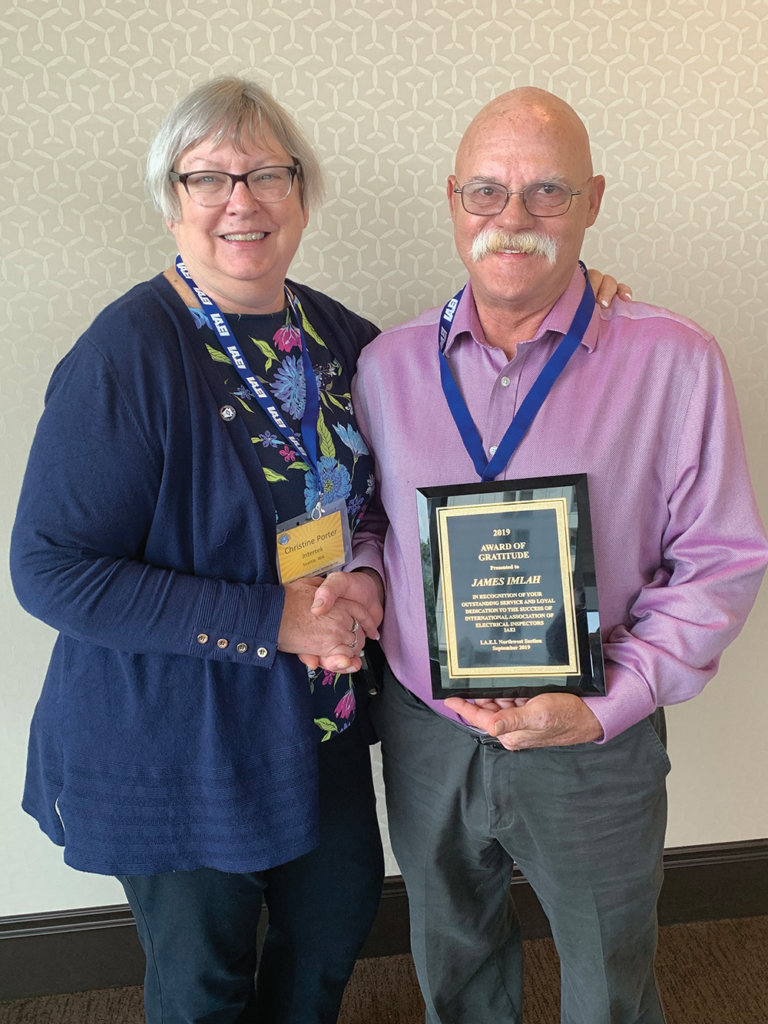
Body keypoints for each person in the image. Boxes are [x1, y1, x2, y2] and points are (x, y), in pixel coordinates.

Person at [10, 76, 624, 1024]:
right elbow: (50, 569)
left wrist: (587, 304)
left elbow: (435, 462)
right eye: (206, 178)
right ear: (170, 200)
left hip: (322, 725)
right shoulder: (124, 354)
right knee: (206, 981)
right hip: (183, 735)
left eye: (266, 173)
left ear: (302, 192)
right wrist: (273, 619)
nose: (240, 201)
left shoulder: (344, 341)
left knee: (329, 940)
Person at [311, 87, 768, 1024]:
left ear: (593, 200)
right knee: (455, 957)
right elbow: (372, 523)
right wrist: (360, 575)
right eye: (485, 191)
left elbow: (721, 559)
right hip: (428, 727)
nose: (511, 218)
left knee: (610, 970)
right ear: (451, 200)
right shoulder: (386, 367)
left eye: (546, 191)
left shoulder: (675, 361)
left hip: (594, 734)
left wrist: (609, 705)